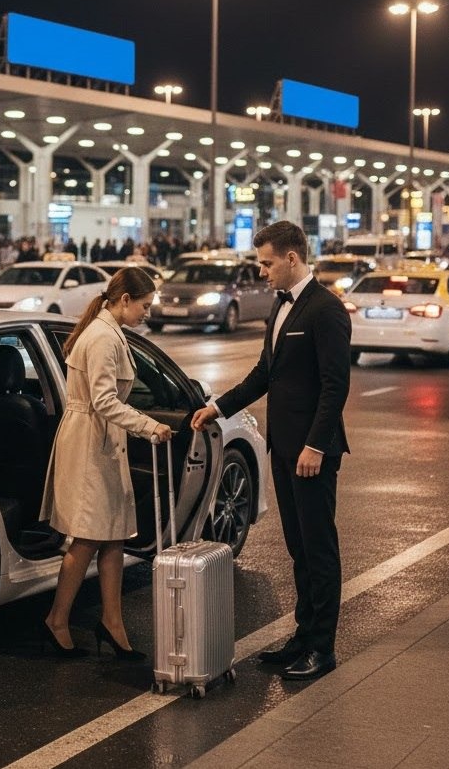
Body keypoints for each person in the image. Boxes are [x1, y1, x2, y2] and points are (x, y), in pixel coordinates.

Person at [191, 220, 351, 682]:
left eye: (266, 263)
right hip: (283, 447)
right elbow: (265, 373)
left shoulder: (326, 310)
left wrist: (315, 445)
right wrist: (218, 407)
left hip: (311, 452)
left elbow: (335, 386)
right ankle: (303, 636)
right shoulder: (280, 307)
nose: (261, 271)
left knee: (319, 549)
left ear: (292, 258)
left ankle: (322, 648)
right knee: (298, 548)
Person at [40, 268, 173, 659]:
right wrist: (149, 426)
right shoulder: (102, 337)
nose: (147, 313)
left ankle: (112, 623)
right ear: (125, 300)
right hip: (90, 444)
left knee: (113, 534)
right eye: (144, 305)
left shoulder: (107, 331)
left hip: (97, 439)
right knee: (87, 536)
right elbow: (103, 401)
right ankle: (57, 620)